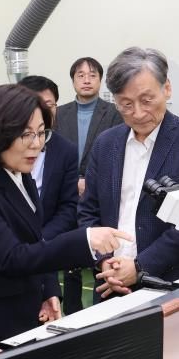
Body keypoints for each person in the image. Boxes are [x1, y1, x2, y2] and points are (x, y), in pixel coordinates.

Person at [0, 84, 132, 346]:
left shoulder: (18, 172)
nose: (36, 145)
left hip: (26, 310)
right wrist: (84, 240)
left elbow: (34, 239)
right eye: (26, 134)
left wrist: (48, 289)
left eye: (40, 133)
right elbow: (12, 258)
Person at [79, 47, 179, 301]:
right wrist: (104, 262)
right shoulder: (105, 144)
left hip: (169, 283)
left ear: (167, 88)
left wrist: (139, 266)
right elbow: (88, 210)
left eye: (147, 100)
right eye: (126, 104)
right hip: (109, 282)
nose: (138, 113)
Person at [54, 57, 123, 312]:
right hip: (66, 193)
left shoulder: (114, 112)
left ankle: (100, 308)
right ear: (73, 80)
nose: (86, 80)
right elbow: (53, 154)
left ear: (100, 80)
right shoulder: (59, 114)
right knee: (69, 257)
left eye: (92, 75)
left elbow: (115, 153)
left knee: (100, 252)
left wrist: (89, 181)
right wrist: (73, 181)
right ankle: (71, 311)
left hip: (99, 193)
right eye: (80, 75)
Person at [17, 75, 81, 314]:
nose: (43, 112)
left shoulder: (66, 150)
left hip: (47, 242)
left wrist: (43, 239)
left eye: (49, 105)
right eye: (35, 105)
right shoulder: (1, 150)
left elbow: (68, 206)